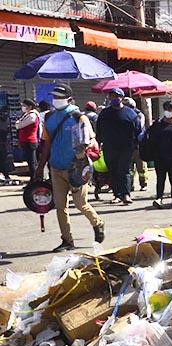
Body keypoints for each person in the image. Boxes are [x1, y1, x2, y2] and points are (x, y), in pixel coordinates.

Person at [34, 83, 104, 252]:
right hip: (55, 167)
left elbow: (88, 142)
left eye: (60, 97)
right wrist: (40, 167)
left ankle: (98, 223)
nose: (56, 100)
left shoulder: (79, 117)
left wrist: (81, 164)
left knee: (80, 204)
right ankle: (67, 240)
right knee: (60, 206)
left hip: (75, 169)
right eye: (54, 97)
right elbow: (46, 144)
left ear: (69, 99)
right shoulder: (49, 117)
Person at [96, 88, 140, 204]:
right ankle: (117, 195)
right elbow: (99, 130)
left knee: (124, 171)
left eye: (117, 96)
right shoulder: (104, 113)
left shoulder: (130, 113)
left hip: (126, 148)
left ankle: (126, 195)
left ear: (122, 98)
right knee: (113, 171)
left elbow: (138, 130)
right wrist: (97, 144)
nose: (114, 98)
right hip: (109, 148)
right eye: (112, 96)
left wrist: (136, 145)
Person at [122, 97, 147, 192]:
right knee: (129, 167)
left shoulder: (139, 115)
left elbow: (139, 127)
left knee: (141, 166)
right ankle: (130, 184)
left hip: (138, 145)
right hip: (128, 145)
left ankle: (143, 183)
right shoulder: (124, 114)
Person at [15, 99, 40, 178]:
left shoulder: (32, 115)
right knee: (30, 162)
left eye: (24, 105)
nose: (22, 107)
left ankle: (34, 179)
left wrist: (18, 123)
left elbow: (19, 125)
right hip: (26, 142)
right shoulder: (27, 115)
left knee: (32, 163)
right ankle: (33, 178)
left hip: (30, 142)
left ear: (30, 106)